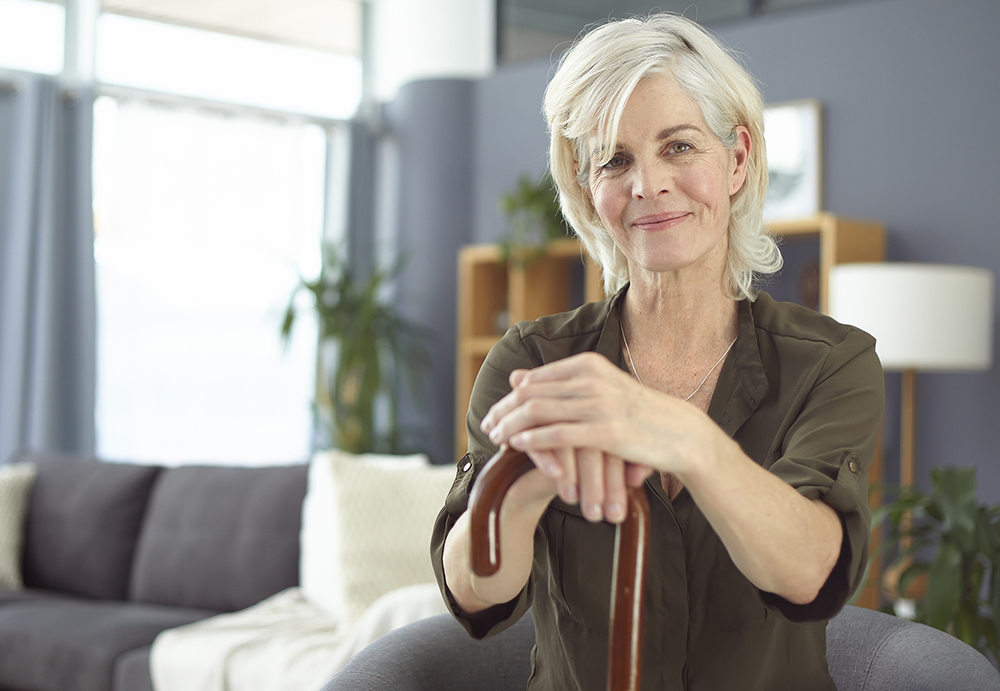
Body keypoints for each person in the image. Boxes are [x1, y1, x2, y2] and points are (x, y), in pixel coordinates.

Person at [431, 12, 884, 691]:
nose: (647, 184)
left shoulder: (830, 362)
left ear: (736, 159)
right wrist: (522, 486)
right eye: (615, 160)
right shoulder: (532, 360)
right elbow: (475, 591)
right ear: (590, 190)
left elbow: (809, 570)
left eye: (677, 147)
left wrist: (684, 440)